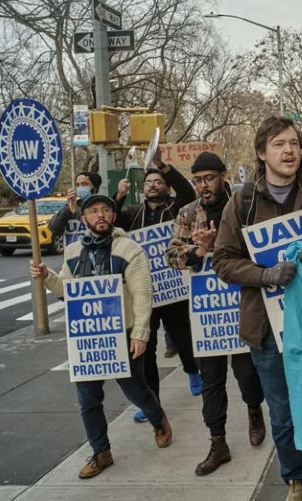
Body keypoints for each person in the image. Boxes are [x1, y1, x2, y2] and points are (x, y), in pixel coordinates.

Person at [212, 116, 302, 501]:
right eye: (279, 144)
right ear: (262, 154)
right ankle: (295, 479)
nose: (289, 150)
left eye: (294, 143)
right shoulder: (241, 202)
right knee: (283, 413)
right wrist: (264, 275)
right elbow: (223, 261)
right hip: (267, 331)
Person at [30, 194, 173, 479]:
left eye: (105, 210)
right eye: (93, 211)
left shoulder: (129, 249)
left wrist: (141, 333)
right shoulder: (72, 252)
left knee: (136, 391)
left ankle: (158, 419)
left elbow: (142, 294)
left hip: (124, 334)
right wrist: (46, 276)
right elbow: (66, 291)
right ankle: (101, 452)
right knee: (88, 399)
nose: (100, 215)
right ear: (83, 219)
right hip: (88, 339)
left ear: (113, 216)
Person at [165, 152, 267, 475]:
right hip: (207, 309)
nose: (203, 186)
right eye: (198, 180)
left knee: (247, 371)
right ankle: (217, 440)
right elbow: (172, 254)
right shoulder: (187, 212)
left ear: (223, 176)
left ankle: (254, 410)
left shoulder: (242, 204)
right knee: (211, 378)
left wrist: (219, 245)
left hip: (239, 303)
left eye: (209, 178)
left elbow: (258, 247)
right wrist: (198, 250)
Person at [113, 148, 202, 422]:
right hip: (145, 291)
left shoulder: (175, 208)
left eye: (159, 182)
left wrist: (163, 166)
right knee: (147, 348)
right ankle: (152, 400)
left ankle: (192, 371)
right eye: (150, 182)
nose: (154, 185)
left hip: (173, 287)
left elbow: (188, 192)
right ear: (143, 188)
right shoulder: (132, 212)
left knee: (182, 335)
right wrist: (118, 196)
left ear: (166, 187)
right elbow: (112, 221)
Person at [49, 171, 102, 238]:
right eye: (77, 185)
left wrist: (76, 211)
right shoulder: (74, 205)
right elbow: (53, 228)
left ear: (95, 188)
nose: (80, 187)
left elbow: (97, 225)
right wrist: (68, 208)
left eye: (84, 184)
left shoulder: (102, 205)